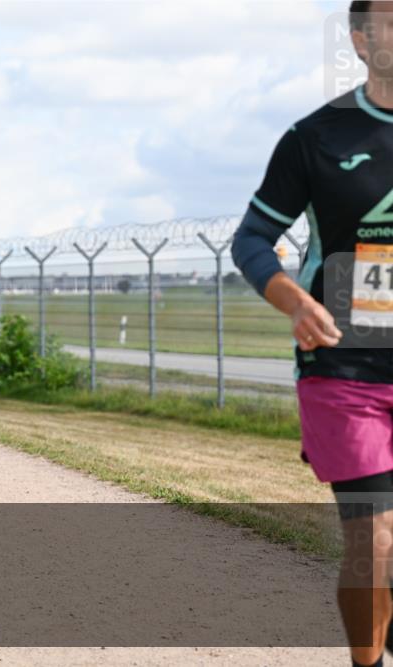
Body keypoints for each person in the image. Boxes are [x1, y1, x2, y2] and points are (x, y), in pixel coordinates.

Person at [231, 3, 393, 665]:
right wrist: (294, 299)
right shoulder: (317, 136)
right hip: (344, 369)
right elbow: (252, 240)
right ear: (360, 40)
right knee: (374, 539)